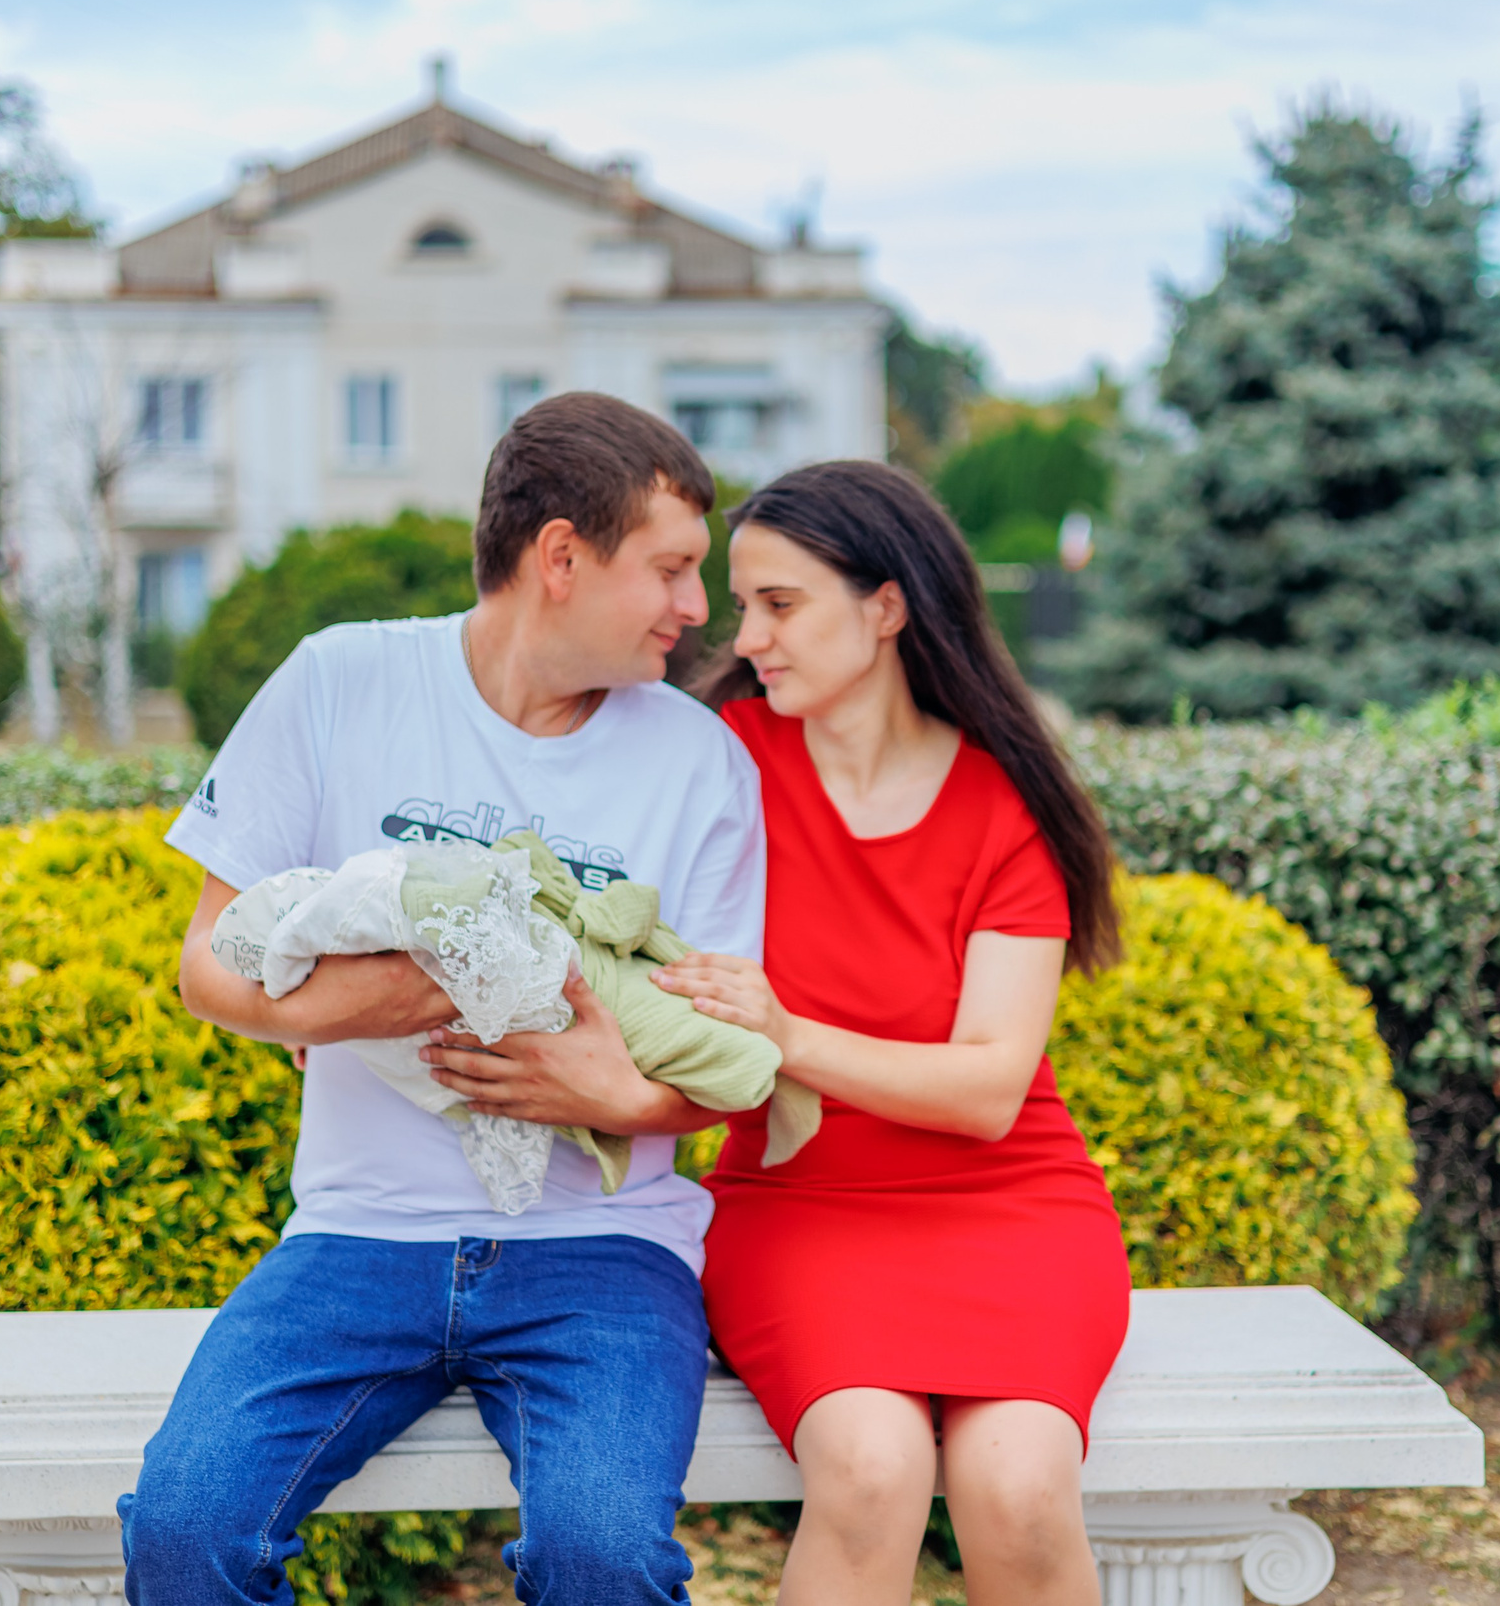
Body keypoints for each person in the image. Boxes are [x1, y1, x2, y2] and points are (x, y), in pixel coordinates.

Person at [123, 392, 766, 1606]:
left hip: (603, 1254)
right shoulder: (339, 681)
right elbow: (208, 962)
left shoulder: (700, 763)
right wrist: (364, 1009)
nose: (697, 608)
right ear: (562, 557)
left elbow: (716, 1066)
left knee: (606, 1562)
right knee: (187, 1524)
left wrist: (598, 1088)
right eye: (675, 569)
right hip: (356, 1238)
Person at [650, 460, 1129, 1606]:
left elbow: (987, 1090)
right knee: (870, 1473)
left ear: (886, 605)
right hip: (804, 1209)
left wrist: (785, 1035)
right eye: (739, 602)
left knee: (1016, 1490)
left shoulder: (1007, 803)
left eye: (780, 602)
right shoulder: (720, 762)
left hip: (1014, 1209)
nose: (743, 632)